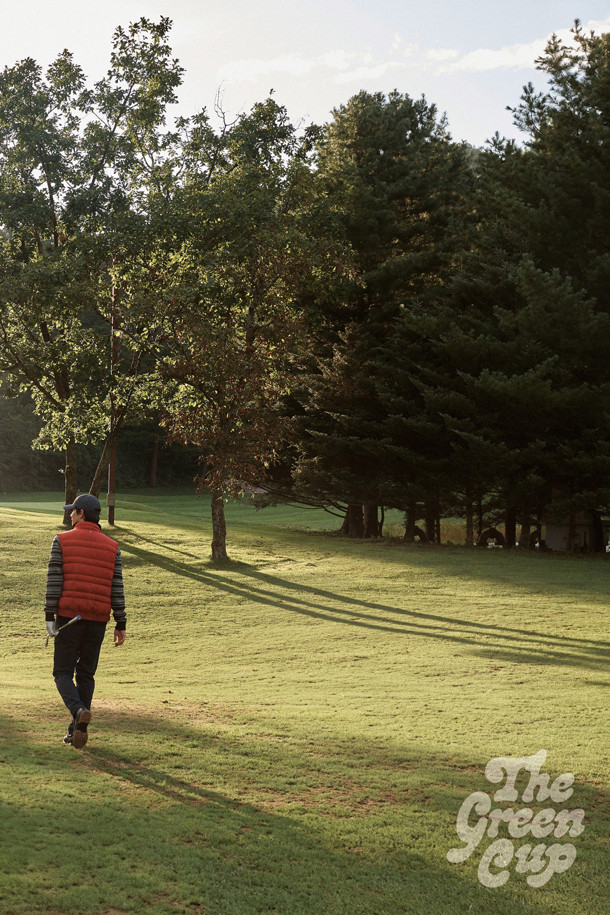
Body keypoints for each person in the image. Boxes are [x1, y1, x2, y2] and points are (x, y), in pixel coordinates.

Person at [44, 493, 126, 749]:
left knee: (62, 673)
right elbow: (117, 588)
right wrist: (120, 623)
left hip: (69, 617)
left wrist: (49, 616)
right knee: (86, 674)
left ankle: (78, 710)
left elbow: (54, 580)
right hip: (98, 619)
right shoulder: (113, 547)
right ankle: (75, 730)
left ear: (81, 513)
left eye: (72, 511)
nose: (69, 515)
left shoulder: (62, 540)